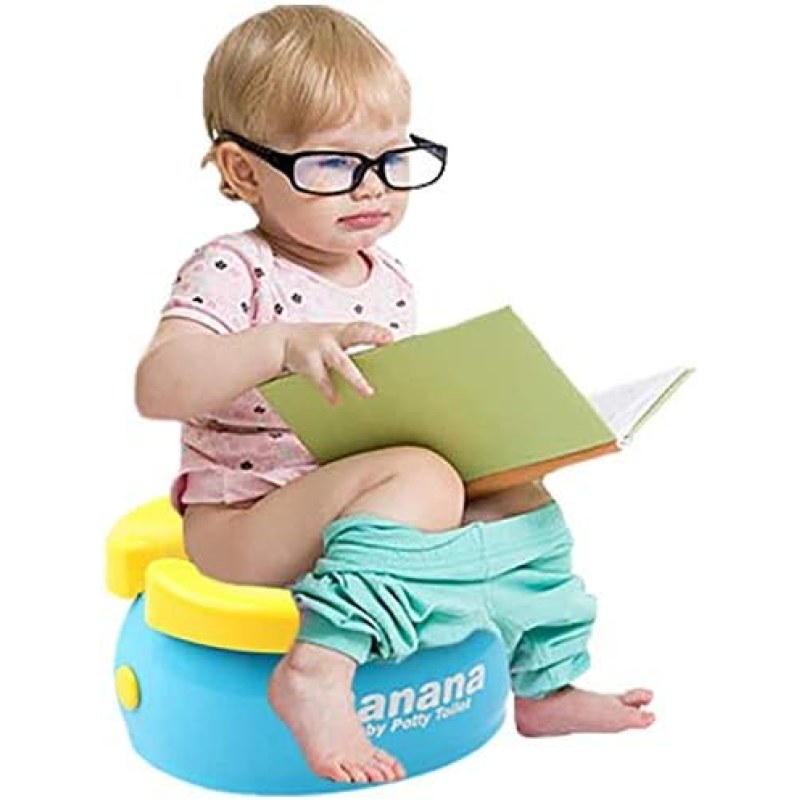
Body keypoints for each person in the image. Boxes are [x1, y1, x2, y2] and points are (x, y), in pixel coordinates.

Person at [135, 5, 655, 786]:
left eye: (390, 158)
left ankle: (545, 686)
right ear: (244, 172)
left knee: (519, 494)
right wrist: (277, 345)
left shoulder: (390, 276)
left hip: (351, 506)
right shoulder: (233, 267)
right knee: (421, 477)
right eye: (331, 166)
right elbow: (157, 385)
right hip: (244, 523)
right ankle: (316, 669)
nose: (370, 188)